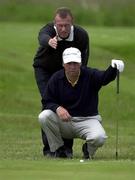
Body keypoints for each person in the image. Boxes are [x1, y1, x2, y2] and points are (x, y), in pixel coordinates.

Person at [38, 47, 124, 159]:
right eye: (69, 63)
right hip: (65, 122)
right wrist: (57, 108)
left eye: (75, 63)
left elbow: (104, 77)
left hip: (88, 120)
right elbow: (46, 101)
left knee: (99, 137)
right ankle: (59, 149)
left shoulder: (90, 75)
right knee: (44, 116)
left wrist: (113, 67)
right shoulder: (56, 78)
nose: (72, 66)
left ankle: (88, 150)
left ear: (80, 63)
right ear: (63, 64)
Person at [33, 7, 89, 157]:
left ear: (72, 23)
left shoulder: (81, 35)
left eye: (66, 25)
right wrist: (49, 41)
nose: (63, 28)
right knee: (49, 105)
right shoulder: (49, 31)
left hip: (67, 72)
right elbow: (42, 36)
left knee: (67, 103)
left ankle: (67, 149)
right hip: (44, 70)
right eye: (60, 25)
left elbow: (83, 62)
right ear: (54, 24)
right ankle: (50, 150)